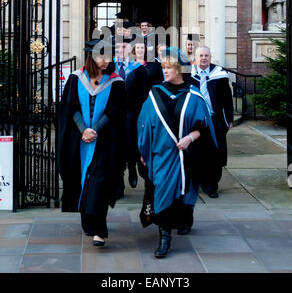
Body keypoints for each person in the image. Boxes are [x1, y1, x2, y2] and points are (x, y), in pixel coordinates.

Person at [137, 47, 218, 258]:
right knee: (162, 192)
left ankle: (186, 217)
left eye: (169, 68)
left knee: (187, 192)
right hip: (161, 154)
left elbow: (205, 128)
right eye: (163, 67)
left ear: (180, 69)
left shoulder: (194, 95)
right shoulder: (155, 94)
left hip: (188, 156)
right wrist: (143, 152)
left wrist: (190, 138)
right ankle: (164, 238)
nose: (165, 71)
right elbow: (144, 124)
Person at [57, 39, 126, 247]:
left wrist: (95, 130)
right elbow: (70, 108)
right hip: (80, 141)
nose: (106, 61)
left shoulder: (116, 82)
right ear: (91, 57)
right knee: (82, 181)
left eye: (108, 56)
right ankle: (88, 222)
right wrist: (83, 130)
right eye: (101, 56)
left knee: (99, 182)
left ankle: (99, 229)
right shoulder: (76, 79)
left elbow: (115, 112)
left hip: (105, 142)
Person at [189, 45, 233, 198]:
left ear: (210, 57)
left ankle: (212, 185)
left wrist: (229, 119)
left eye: (206, 55)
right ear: (196, 57)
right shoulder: (189, 74)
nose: (203, 58)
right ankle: (198, 182)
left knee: (215, 154)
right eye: (200, 55)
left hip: (215, 120)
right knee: (197, 153)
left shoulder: (219, 74)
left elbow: (227, 99)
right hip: (196, 122)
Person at [114, 37, 148, 190]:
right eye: (118, 47)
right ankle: (119, 180)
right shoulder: (109, 67)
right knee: (116, 147)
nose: (121, 50)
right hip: (112, 114)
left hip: (132, 113)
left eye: (124, 47)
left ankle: (132, 168)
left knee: (130, 143)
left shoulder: (138, 69)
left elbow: (143, 94)